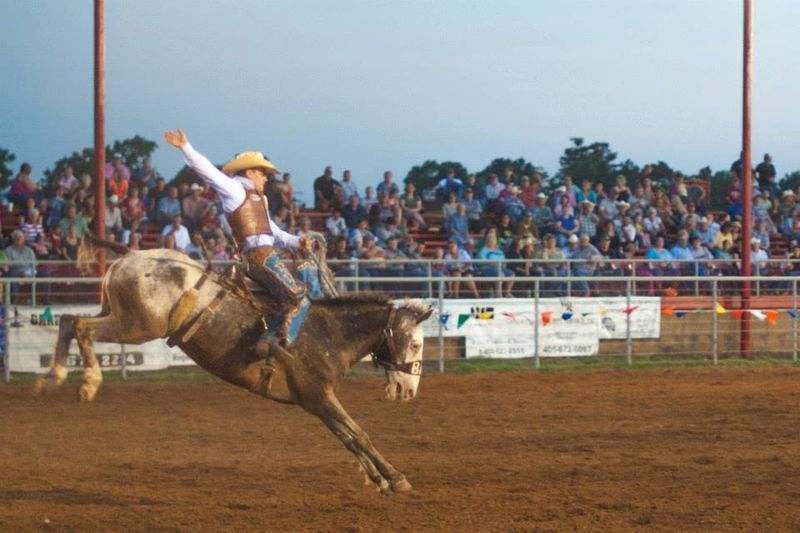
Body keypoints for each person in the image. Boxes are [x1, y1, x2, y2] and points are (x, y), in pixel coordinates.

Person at [164, 129, 312, 356]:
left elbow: (272, 229)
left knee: (284, 298)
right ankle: (272, 342)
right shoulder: (235, 189)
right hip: (262, 258)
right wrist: (186, 147)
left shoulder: (258, 197)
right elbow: (207, 170)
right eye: (263, 173)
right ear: (251, 171)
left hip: (259, 257)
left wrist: (297, 241)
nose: (266, 178)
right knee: (299, 297)